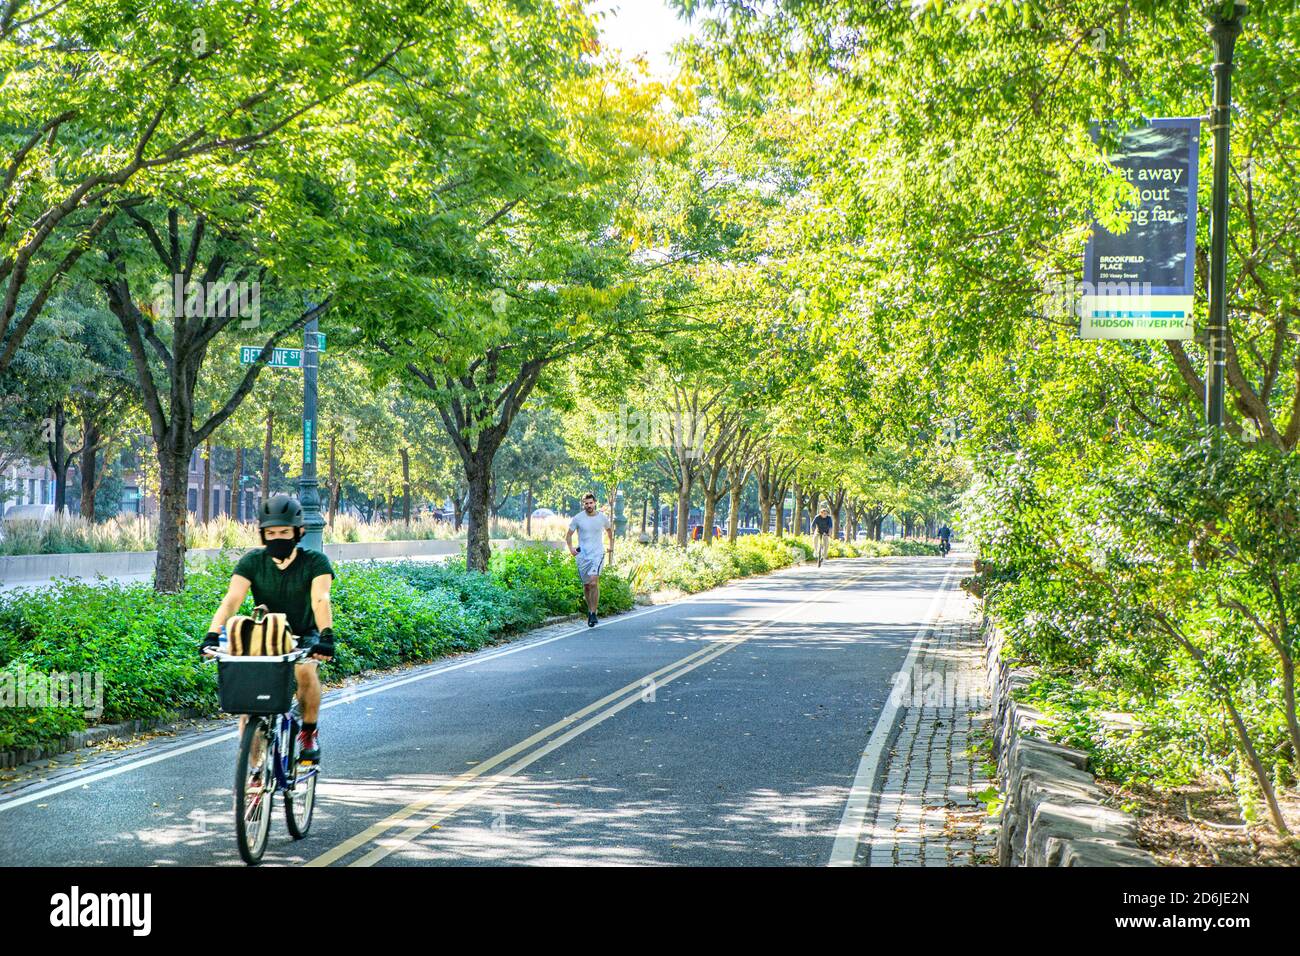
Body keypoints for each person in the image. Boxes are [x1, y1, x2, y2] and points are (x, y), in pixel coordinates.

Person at [201, 494, 336, 767]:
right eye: (271, 532)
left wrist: (327, 635)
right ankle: (253, 773)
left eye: (284, 532)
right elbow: (232, 600)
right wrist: (212, 634)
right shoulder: (252, 562)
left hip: (304, 634)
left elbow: (320, 599)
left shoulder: (316, 562)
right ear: (263, 534)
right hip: (264, 634)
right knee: (250, 704)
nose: (277, 538)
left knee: (306, 671)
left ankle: (308, 733)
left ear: (298, 532)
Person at [566, 492, 614, 627]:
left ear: (595, 503)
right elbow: (568, 535)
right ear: (584, 504)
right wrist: (571, 549)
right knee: (587, 585)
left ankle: (593, 613)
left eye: (591, 503)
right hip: (583, 556)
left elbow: (609, 531)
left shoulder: (602, 517)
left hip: (597, 554)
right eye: (586, 503)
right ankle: (590, 610)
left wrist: (610, 546)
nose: (589, 505)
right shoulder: (578, 518)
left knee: (593, 583)